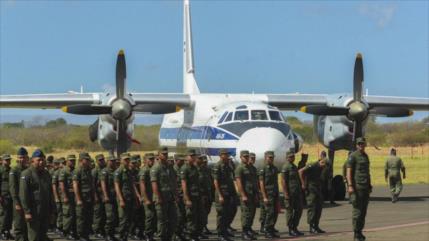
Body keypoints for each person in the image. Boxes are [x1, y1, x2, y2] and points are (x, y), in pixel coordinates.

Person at [19, 149, 55, 241]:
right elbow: (23, 194)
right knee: (34, 236)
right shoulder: (26, 174)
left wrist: (52, 210)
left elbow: (50, 193)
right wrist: (27, 212)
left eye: (43, 159)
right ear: (32, 161)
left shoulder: (46, 174)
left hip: (45, 210)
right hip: (34, 212)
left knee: (43, 235)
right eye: (39, 160)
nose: (41, 162)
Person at [347, 137, 372, 241]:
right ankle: (356, 233)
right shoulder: (353, 156)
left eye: (362, 143)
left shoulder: (366, 156)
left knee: (363, 211)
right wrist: (350, 186)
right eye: (359, 144)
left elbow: (367, 172)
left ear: (365, 144)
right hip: (357, 187)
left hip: (365, 187)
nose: (361, 145)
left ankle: (360, 231)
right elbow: (349, 171)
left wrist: (370, 185)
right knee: (357, 211)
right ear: (357, 145)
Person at [150, 147, 177, 241]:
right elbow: (154, 184)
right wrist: (158, 197)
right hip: (161, 199)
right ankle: (161, 238)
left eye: (166, 153)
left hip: (170, 198)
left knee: (173, 219)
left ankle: (169, 237)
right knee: (162, 221)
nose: (165, 155)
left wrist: (176, 195)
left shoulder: (169, 166)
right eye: (163, 154)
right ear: (159, 155)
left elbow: (173, 182)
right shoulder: (156, 168)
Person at [299, 151, 327, 234]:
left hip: (317, 189)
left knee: (319, 207)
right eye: (323, 164)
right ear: (320, 162)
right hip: (311, 189)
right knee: (312, 208)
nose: (324, 166)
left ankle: (316, 226)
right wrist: (303, 183)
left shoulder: (322, 167)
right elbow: (300, 171)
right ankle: (311, 227)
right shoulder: (312, 165)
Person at [212, 149, 236, 241]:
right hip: (221, 193)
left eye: (227, 154)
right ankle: (220, 234)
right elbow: (216, 181)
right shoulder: (218, 166)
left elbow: (231, 176)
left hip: (228, 193)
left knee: (227, 213)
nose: (227, 156)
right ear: (221, 155)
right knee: (221, 215)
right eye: (225, 154)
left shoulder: (227, 165)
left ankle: (225, 231)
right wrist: (220, 195)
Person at [235, 150, 258, 240]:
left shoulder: (250, 168)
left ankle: (248, 230)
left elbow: (254, 182)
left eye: (247, 156)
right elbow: (239, 182)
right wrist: (243, 195)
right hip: (246, 194)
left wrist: (256, 194)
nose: (246, 158)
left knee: (251, 213)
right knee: (246, 214)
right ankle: (244, 233)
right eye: (244, 156)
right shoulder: (240, 168)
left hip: (252, 194)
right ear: (240, 157)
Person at [180, 149, 203, 241]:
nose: (193, 157)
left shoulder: (195, 168)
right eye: (191, 156)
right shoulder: (184, 168)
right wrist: (187, 198)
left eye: (194, 156)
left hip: (197, 196)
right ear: (187, 157)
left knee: (199, 217)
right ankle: (190, 235)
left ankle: (195, 234)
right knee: (191, 217)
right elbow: (184, 184)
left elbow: (197, 183)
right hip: (190, 196)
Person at [114, 153, 138, 241]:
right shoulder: (118, 171)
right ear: (121, 160)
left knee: (130, 219)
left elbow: (132, 185)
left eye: (128, 159)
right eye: (125, 159)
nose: (127, 161)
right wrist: (121, 200)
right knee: (123, 219)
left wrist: (136, 198)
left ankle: (125, 236)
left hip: (130, 198)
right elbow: (117, 186)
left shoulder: (129, 171)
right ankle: (121, 236)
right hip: (123, 198)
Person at [73, 153, 96, 241]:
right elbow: (75, 185)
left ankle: (86, 235)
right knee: (81, 218)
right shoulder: (78, 171)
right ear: (81, 160)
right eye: (86, 159)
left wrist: (94, 196)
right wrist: (78, 199)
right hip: (82, 198)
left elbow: (91, 184)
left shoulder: (88, 170)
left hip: (89, 198)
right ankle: (81, 236)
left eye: (89, 159)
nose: (88, 161)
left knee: (88, 217)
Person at [281, 151, 304, 237]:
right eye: (290, 157)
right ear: (287, 157)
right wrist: (286, 193)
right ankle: (291, 229)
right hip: (290, 193)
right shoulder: (286, 167)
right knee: (290, 211)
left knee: (299, 209)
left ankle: (295, 227)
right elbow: (283, 181)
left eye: (293, 156)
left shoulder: (294, 167)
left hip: (296, 192)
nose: (292, 158)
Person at [9, 148, 29, 241]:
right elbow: (13, 188)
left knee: (27, 224)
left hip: (28, 201)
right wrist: (16, 203)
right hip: (19, 202)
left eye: (23, 157)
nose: (22, 159)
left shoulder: (29, 169)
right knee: (19, 225)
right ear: (17, 158)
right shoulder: (14, 170)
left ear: (27, 158)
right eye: (20, 157)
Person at [258, 151, 280, 239]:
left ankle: (271, 229)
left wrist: (277, 195)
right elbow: (261, 183)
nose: (271, 159)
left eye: (272, 157)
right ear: (265, 157)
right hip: (267, 194)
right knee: (269, 213)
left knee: (274, 213)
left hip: (274, 194)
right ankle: (267, 230)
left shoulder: (274, 168)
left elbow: (276, 183)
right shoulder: (263, 169)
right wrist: (264, 196)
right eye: (269, 157)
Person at [60, 154, 78, 240]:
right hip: (68, 194)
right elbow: (62, 184)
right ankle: (66, 232)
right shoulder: (64, 171)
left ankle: (73, 232)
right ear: (67, 161)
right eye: (71, 160)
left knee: (75, 214)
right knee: (68, 214)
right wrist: (65, 196)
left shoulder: (75, 170)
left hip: (75, 195)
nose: (73, 162)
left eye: (74, 160)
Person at [100, 155, 118, 241]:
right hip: (109, 197)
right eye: (111, 161)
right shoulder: (104, 172)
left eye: (114, 161)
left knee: (115, 216)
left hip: (116, 197)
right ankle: (107, 234)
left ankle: (112, 234)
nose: (113, 162)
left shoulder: (116, 171)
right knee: (110, 216)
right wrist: (106, 196)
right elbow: (103, 184)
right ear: (108, 161)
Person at [139, 153, 156, 241]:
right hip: (147, 197)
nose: (151, 161)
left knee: (153, 216)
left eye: (153, 159)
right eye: (149, 159)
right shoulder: (144, 170)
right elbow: (142, 185)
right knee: (149, 216)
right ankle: (148, 235)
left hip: (153, 197)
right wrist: (145, 198)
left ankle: (151, 234)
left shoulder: (153, 169)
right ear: (145, 160)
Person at [197, 155, 213, 236]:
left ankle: (204, 226)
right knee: (201, 213)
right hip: (201, 195)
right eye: (203, 162)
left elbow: (210, 181)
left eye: (206, 162)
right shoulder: (197, 170)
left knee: (207, 211)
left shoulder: (207, 170)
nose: (205, 163)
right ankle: (201, 228)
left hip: (208, 194)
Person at [92, 154, 106, 239]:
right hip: (98, 194)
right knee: (98, 214)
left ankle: (102, 230)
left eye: (102, 159)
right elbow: (92, 185)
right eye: (100, 160)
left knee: (104, 214)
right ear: (97, 161)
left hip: (104, 195)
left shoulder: (104, 170)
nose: (102, 161)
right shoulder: (95, 171)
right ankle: (96, 231)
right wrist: (95, 196)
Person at [172, 154, 186, 241]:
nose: (182, 161)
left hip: (182, 196)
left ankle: (180, 233)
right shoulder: (173, 170)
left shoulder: (182, 169)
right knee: (177, 216)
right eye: (180, 160)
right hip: (176, 196)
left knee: (183, 215)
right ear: (176, 160)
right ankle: (175, 234)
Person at [0, 154, 14, 240]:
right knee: (3, 214)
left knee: (10, 214)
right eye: (6, 160)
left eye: (9, 160)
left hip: (10, 195)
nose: (8, 161)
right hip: (3, 195)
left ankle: (8, 231)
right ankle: (2, 231)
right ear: (2, 160)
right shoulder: (1, 170)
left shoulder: (11, 170)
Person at [52, 157, 66, 236]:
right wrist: (56, 197)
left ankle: (64, 227)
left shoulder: (65, 171)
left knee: (65, 213)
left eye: (64, 163)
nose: (63, 165)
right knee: (60, 213)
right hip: (59, 196)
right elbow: (54, 185)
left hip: (65, 196)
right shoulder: (57, 172)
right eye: (62, 163)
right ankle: (59, 227)